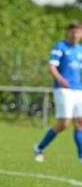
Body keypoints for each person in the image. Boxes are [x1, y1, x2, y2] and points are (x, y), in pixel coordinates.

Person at [33, 21, 82, 162]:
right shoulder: (60, 46)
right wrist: (61, 80)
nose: (75, 35)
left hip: (78, 89)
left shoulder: (80, 49)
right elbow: (52, 67)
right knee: (64, 123)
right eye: (72, 32)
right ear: (68, 33)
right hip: (64, 89)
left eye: (78, 32)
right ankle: (39, 148)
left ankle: (81, 156)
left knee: (80, 121)